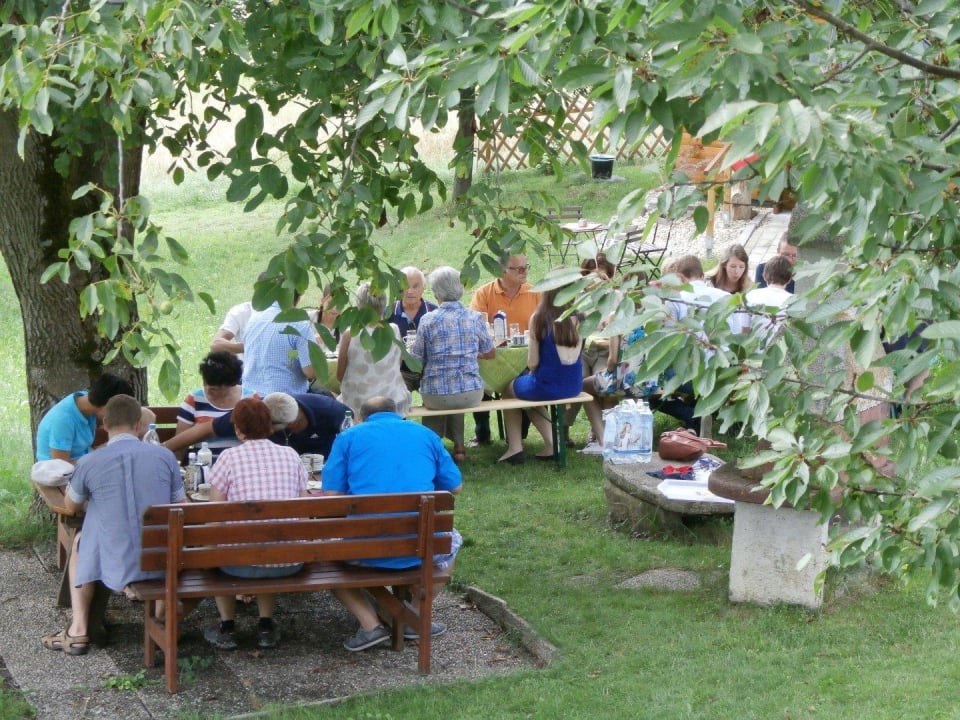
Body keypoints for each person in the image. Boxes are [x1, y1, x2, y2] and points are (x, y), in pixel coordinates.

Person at [40, 395, 184, 656]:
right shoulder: (164, 456)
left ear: (104, 424)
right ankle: (161, 618)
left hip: (114, 563)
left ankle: (79, 629)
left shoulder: (89, 462)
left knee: (83, 541)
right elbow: (181, 504)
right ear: (139, 424)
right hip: (164, 561)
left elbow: (71, 506)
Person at [321, 396, 463, 652]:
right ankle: (415, 617)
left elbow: (332, 498)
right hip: (420, 548)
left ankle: (369, 624)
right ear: (399, 413)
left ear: (361, 416)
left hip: (364, 551)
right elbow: (455, 486)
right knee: (452, 540)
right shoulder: (425, 434)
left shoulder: (348, 438)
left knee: (324, 554)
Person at [203, 398, 309, 651]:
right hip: (289, 561)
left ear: (238, 429)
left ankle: (227, 626)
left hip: (238, 564)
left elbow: (214, 513)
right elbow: (304, 508)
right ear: (270, 427)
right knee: (272, 537)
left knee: (216, 543)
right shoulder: (290, 455)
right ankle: (265, 624)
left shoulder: (228, 457)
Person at [410, 266, 496, 463]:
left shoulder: (428, 319)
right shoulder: (474, 317)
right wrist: (471, 353)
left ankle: (433, 449)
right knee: (455, 388)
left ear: (436, 292)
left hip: (436, 396)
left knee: (441, 391)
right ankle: (459, 447)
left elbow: (417, 360)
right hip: (471, 393)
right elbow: (490, 352)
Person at [498, 288, 584, 464]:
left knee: (508, 388)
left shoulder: (540, 319)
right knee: (529, 396)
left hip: (547, 385)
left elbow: (532, 363)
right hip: (574, 385)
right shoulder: (581, 319)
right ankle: (552, 444)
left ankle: (515, 447)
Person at [468, 253, 541, 447]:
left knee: (525, 379)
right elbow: (476, 328)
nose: (524, 272)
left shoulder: (535, 292)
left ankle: (518, 435)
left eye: (526, 267)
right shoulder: (483, 294)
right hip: (490, 357)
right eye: (519, 269)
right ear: (502, 270)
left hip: (524, 356)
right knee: (477, 378)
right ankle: (482, 431)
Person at [164, 391, 348, 459]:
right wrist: (162, 449)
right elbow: (206, 429)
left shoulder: (331, 411)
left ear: (292, 422)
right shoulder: (255, 411)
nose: (267, 431)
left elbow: (354, 434)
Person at [337, 282, 411, 417]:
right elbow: (398, 364)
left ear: (358, 306)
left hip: (358, 403)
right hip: (391, 400)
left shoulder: (350, 334)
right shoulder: (393, 330)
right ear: (383, 305)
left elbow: (339, 374)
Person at [35, 373, 134, 462]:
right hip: (58, 475)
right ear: (106, 406)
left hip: (84, 459)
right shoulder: (63, 421)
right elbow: (61, 467)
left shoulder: (87, 400)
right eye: (118, 412)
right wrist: (99, 457)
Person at [175, 351, 254, 460]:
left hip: (240, 466)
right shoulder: (194, 399)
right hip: (204, 467)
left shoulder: (250, 399)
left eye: (214, 389)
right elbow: (180, 443)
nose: (207, 390)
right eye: (205, 383)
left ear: (231, 384)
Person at [241, 289, 317, 396]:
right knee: (334, 405)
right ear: (298, 297)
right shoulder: (299, 324)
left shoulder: (254, 318)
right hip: (284, 400)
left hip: (249, 397)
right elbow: (311, 372)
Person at [387, 266, 437, 391]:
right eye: (405, 286)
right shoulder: (387, 313)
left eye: (415, 286)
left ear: (423, 288)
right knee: (396, 398)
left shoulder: (434, 312)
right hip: (399, 371)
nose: (410, 291)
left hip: (428, 370)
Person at [745, 254, 795, 341]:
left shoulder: (750, 296)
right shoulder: (794, 301)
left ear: (764, 276)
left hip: (754, 349)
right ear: (789, 279)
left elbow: (744, 328)